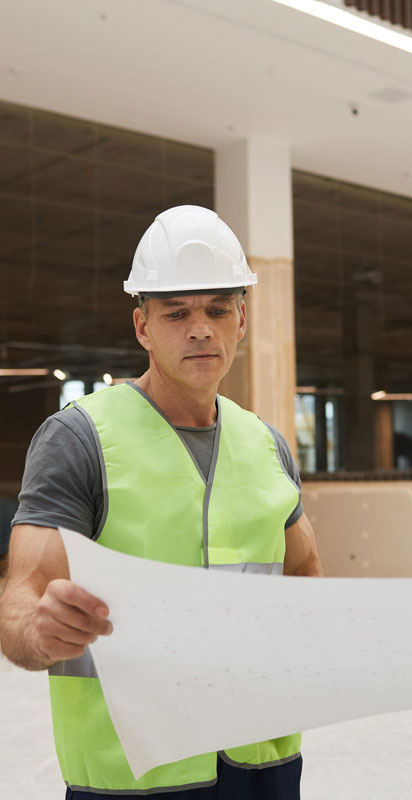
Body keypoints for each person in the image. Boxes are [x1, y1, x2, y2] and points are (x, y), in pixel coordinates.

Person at [0, 205, 323, 799]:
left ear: (242, 320)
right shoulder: (79, 439)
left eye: (217, 310)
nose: (200, 329)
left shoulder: (266, 443)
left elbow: (302, 570)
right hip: (136, 774)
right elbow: (22, 593)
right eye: (176, 313)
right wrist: (39, 631)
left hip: (264, 761)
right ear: (143, 327)